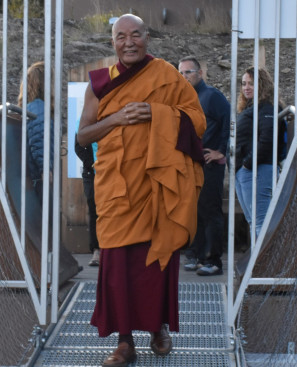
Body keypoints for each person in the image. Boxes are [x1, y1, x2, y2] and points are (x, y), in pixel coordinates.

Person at [77, 14, 206, 367]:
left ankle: (158, 328)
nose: (129, 42)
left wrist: (155, 112)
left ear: (147, 38)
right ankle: (123, 342)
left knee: (156, 263)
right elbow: (83, 135)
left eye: (136, 35)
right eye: (122, 36)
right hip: (116, 189)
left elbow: (197, 119)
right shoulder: (100, 84)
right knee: (117, 269)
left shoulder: (166, 75)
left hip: (156, 186)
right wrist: (117, 118)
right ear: (112, 42)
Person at [177, 56, 230, 276]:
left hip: (210, 165)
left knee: (210, 212)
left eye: (188, 72)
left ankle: (213, 261)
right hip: (191, 166)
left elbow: (229, 124)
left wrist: (221, 152)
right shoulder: (184, 99)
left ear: (200, 73)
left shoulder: (213, 97)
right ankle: (198, 256)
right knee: (194, 212)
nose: (184, 77)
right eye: (180, 73)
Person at [235, 67, 287, 241]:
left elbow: (267, 139)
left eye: (251, 83)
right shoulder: (251, 107)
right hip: (244, 171)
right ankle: (256, 265)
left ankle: (262, 265)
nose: (246, 87)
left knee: (260, 222)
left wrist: (248, 164)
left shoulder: (267, 108)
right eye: (244, 84)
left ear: (263, 85)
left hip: (257, 170)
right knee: (253, 221)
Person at [18, 61, 54, 195]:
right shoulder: (38, 107)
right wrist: (45, 168)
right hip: (39, 177)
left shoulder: (30, 107)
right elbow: (39, 140)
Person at [73, 136, 100, 266]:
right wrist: (92, 163)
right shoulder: (84, 120)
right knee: (94, 209)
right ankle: (96, 250)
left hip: (113, 170)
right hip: (91, 172)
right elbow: (78, 147)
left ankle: (111, 250)